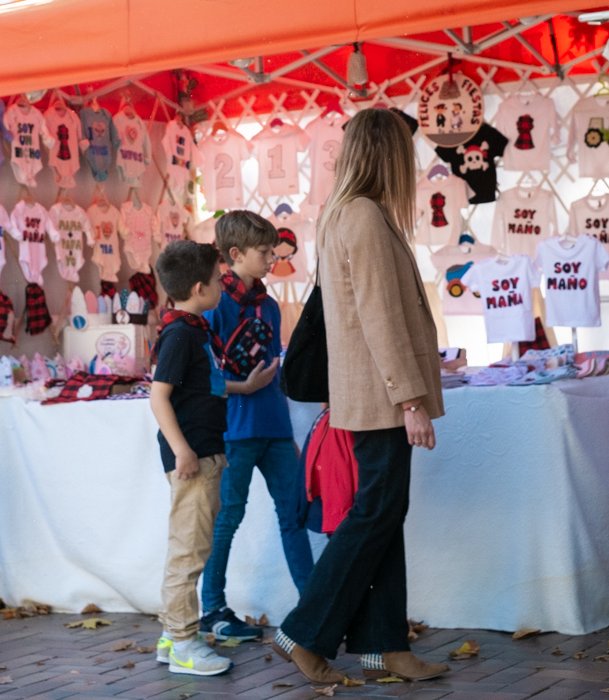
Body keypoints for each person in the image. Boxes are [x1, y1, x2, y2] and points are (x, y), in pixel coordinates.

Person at [273, 109, 450, 683]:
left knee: (383, 513)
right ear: (387, 154)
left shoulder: (347, 214)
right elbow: (379, 318)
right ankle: (304, 631)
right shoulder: (364, 217)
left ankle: (384, 645)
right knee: (376, 512)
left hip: (369, 393)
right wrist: (409, 399)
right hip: (379, 397)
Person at [150, 240, 278, 676]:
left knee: (191, 547)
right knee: (188, 553)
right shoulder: (181, 334)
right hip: (195, 456)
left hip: (208, 451)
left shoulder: (193, 329)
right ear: (201, 287)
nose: (225, 286)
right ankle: (185, 643)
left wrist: (244, 387)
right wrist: (183, 449)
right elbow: (159, 396)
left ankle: (173, 635)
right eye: (218, 278)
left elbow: (206, 385)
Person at [199, 210, 314, 641]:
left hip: (275, 428)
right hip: (234, 431)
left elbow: (274, 365)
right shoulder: (212, 304)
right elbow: (204, 378)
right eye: (265, 251)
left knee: (295, 513)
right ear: (235, 254)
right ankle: (213, 609)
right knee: (227, 518)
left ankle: (314, 606)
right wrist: (243, 387)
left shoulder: (268, 305)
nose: (272, 259)